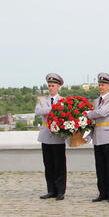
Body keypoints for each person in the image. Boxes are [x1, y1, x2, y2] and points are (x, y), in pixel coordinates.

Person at [87, 73, 109, 202]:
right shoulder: (96, 101)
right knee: (100, 167)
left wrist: (88, 114)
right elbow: (94, 120)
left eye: (104, 84)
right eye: (100, 84)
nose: (101, 87)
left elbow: (101, 113)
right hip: (97, 137)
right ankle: (102, 192)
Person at [35, 73, 67, 201]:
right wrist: (54, 108)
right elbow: (38, 111)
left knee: (59, 165)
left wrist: (48, 109)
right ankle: (51, 190)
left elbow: (64, 114)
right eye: (49, 86)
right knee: (48, 165)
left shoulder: (63, 100)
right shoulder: (42, 100)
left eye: (53, 86)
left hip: (58, 136)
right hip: (45, 135)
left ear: (58, 86)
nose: (51, 88)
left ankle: (60, 191)